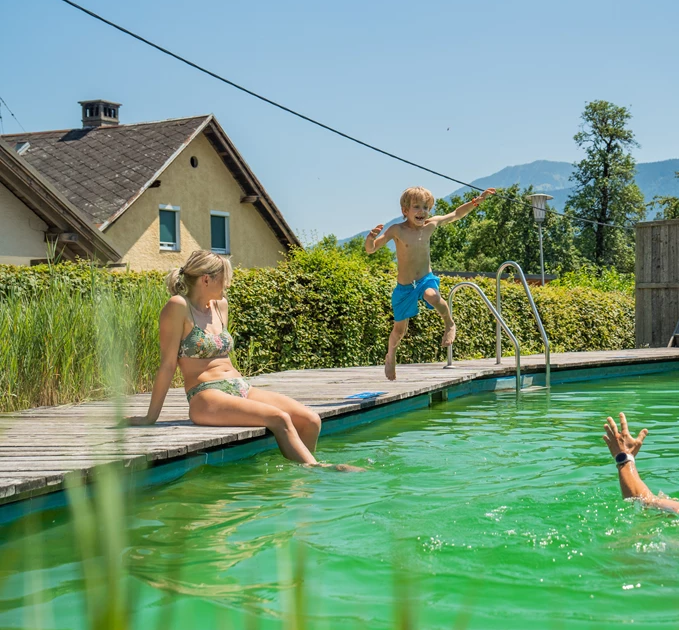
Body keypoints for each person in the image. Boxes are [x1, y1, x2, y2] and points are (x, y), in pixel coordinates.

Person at [125, 250, 359, 471]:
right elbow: (167, 365)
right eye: (223, 279)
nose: (227, 284)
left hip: (240, 387)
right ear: (206, 280)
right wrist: (150, 417)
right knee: (279, 418)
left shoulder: (220, 306)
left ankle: (297, 474)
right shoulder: (179, 306)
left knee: (311, 420)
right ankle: (318, 470)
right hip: (206, 395)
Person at [365, 185, 496, 380]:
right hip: (404, 288)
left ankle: (449, 323)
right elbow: (371, 249)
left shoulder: (431, 225)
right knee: (399, 330)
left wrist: (477, 200)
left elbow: (456, 214)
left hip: (425, 280)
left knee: (433, 296)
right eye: (417, 207)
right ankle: (391, 355)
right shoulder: (397, 230)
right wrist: (371, 237)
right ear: (405, 211)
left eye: (426, 208)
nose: (422, 212)